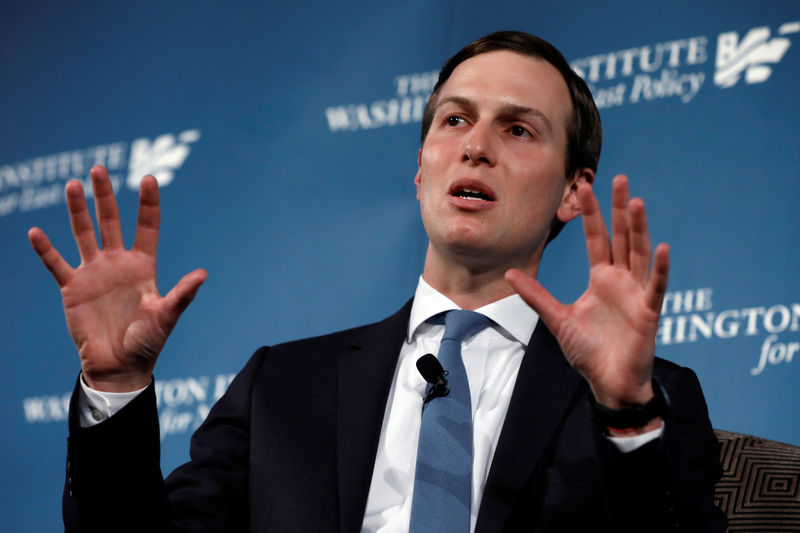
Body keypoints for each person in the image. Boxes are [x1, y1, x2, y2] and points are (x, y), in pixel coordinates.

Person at [29, 31, 725, 532]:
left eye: (518, 129)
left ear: (574, 192)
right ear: (421, 168)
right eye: (455, 120)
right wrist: (115, 388)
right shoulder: (283, 384)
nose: (476, 144)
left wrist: (626, 413)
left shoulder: (641, 396)